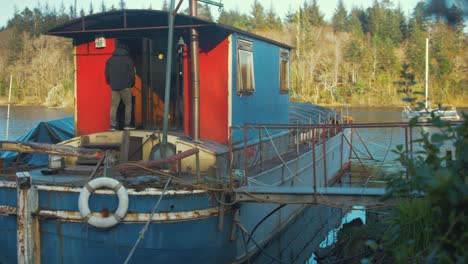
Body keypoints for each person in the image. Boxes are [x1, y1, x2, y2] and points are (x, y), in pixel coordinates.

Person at [105, 43, 135, 130]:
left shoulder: (110, 60)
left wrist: (111, 82)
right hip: (126, 87)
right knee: (128, 105)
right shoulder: (129, 60)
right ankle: (127, 125)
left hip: (114, 87)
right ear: (125, 51)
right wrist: (131, 83)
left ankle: (112, 125)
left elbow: (107, 75)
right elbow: (132, 74)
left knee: (114, 106)